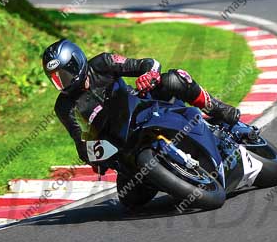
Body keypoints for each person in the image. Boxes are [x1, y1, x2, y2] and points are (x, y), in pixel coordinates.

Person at [42, 38, 241, 167]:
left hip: (141, 107)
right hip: (121, 144)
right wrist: (94, 157)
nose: (62, 82)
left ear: (77, 62)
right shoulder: (63, 107)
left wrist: (149, 75)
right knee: (130, 202)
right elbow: (81, 143)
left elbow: (147, 63)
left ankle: (217, 108)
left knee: (174, 79)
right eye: (56, 79)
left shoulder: (102, 63)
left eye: (65, 75)